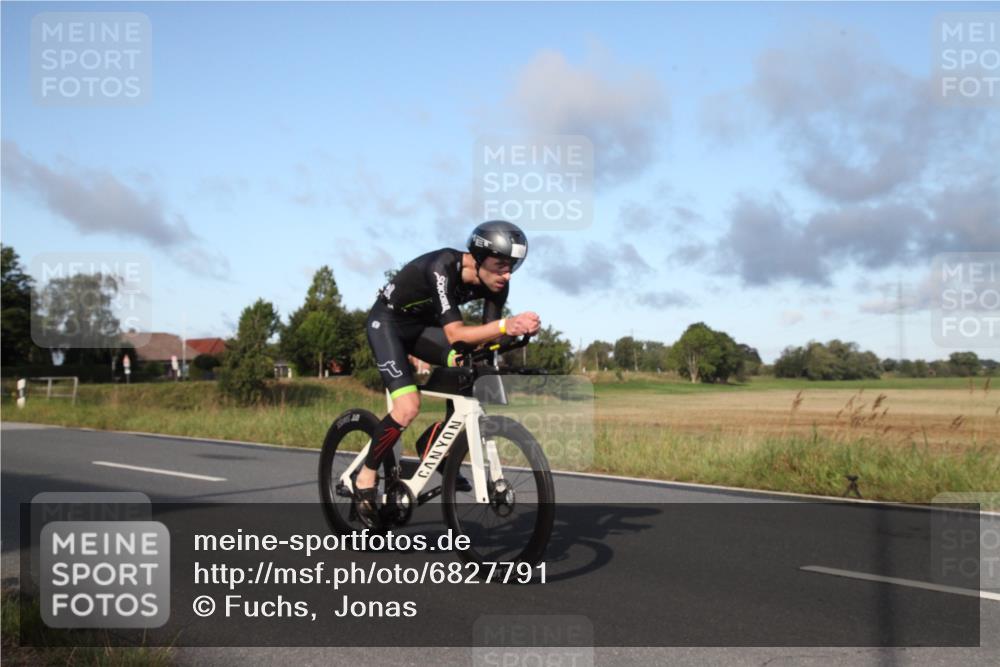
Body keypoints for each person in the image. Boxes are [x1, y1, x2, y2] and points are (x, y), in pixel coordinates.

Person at [356, 220, 541, 528]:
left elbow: (486, 339)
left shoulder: (498, 284)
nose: (506, 275)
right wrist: (508, 325)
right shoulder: (442, 266)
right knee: (408, 407)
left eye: (512, 267)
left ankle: (433, 442)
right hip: (387, 324)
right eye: (500, 266)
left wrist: (516, 335)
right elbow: (456, 333)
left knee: (470, 366)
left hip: (422, 331)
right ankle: (366, 476)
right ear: (479, 258)